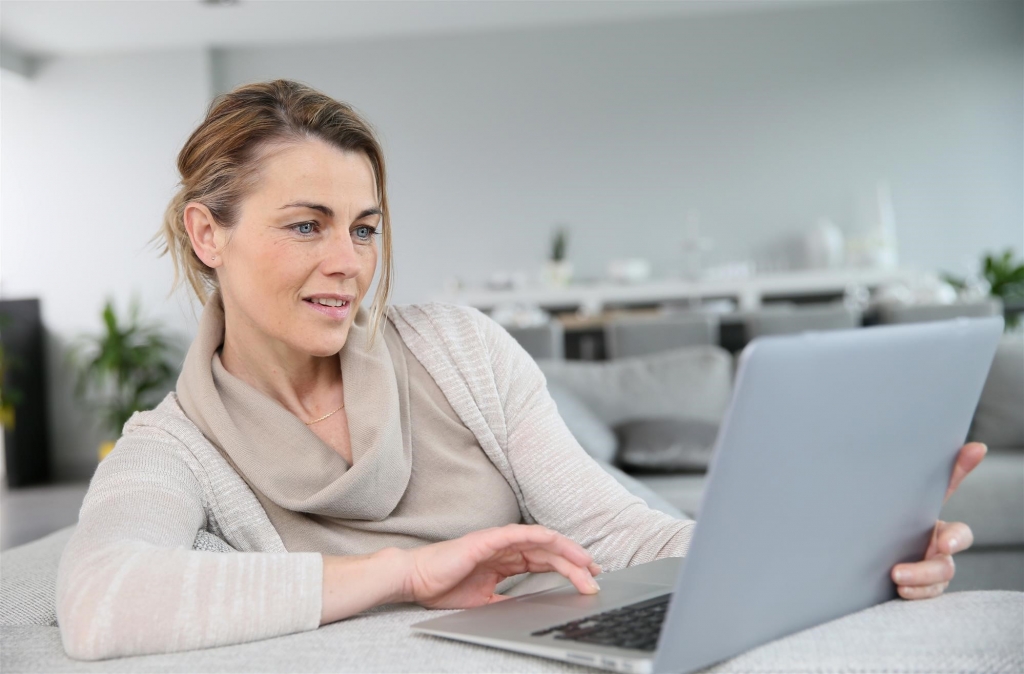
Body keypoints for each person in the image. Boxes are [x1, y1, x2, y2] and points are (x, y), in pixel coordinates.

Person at [55, 80, 986, 661]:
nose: (349, 261)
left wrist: (843, 548)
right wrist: (406, 575)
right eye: (307, 224)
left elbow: (616, 533)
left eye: (366, 226)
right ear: (206, 232)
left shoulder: (457, 348)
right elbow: (100, 601)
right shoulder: (173, 446)